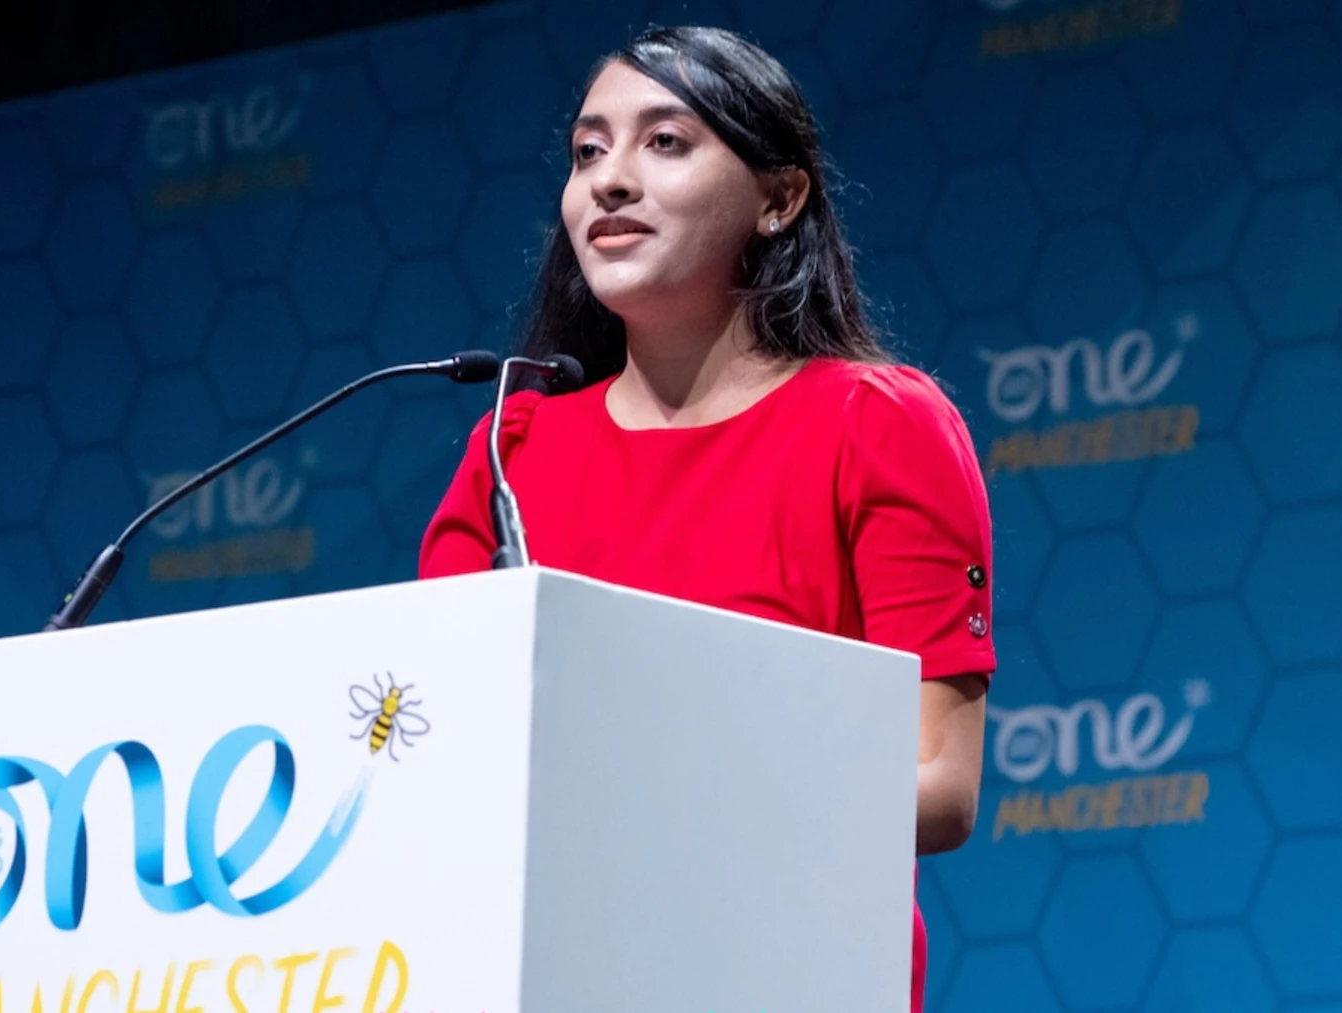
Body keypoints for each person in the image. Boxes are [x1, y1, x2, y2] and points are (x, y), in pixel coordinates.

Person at [419, 25, 993, 1011]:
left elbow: (940, 783)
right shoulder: (510, 452)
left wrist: (676, 803)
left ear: (779, 197)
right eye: (588, 151)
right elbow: (430, 744)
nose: (609, 181)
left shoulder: (878, 426)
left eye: (665, 142)